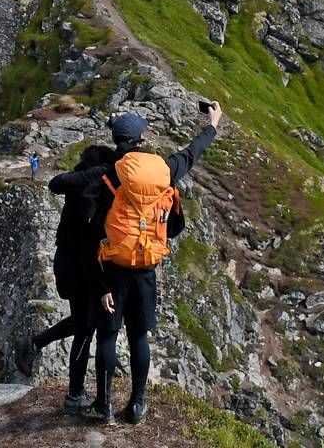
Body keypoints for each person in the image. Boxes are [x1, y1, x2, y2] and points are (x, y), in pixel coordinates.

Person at [81, 101, 222, 424]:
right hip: (145, 268)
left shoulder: (109, 174)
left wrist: (100, 284)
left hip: (113, 269)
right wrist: (212, 124)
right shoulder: (166, 169)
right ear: (141, 140)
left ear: (119, 142)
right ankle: (137, 404)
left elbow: (93, 232)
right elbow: (192, 152)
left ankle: (102, 406)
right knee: (139, 337)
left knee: (107, 336)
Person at [15, 143, 120, 411]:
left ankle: (36, 344)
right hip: (80, 265)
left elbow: (58, 182)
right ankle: (74, 395)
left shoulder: (79, 185)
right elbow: (57, 183)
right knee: (85, 326)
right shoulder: (93, 186)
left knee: (84, 322)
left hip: (68, 262)